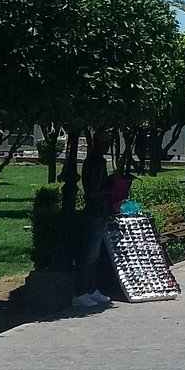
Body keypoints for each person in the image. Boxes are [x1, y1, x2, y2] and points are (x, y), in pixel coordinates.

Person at [72, 128, 115, 308]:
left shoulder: (97, 161)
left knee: (94, 254)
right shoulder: (94, 162)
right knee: (87, 254)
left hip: (99, 211)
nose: (108, 147)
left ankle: (91, 288)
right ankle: (81, 291)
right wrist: (109, 187)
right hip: (94, 211)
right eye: (106, 143)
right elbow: (94, 191)